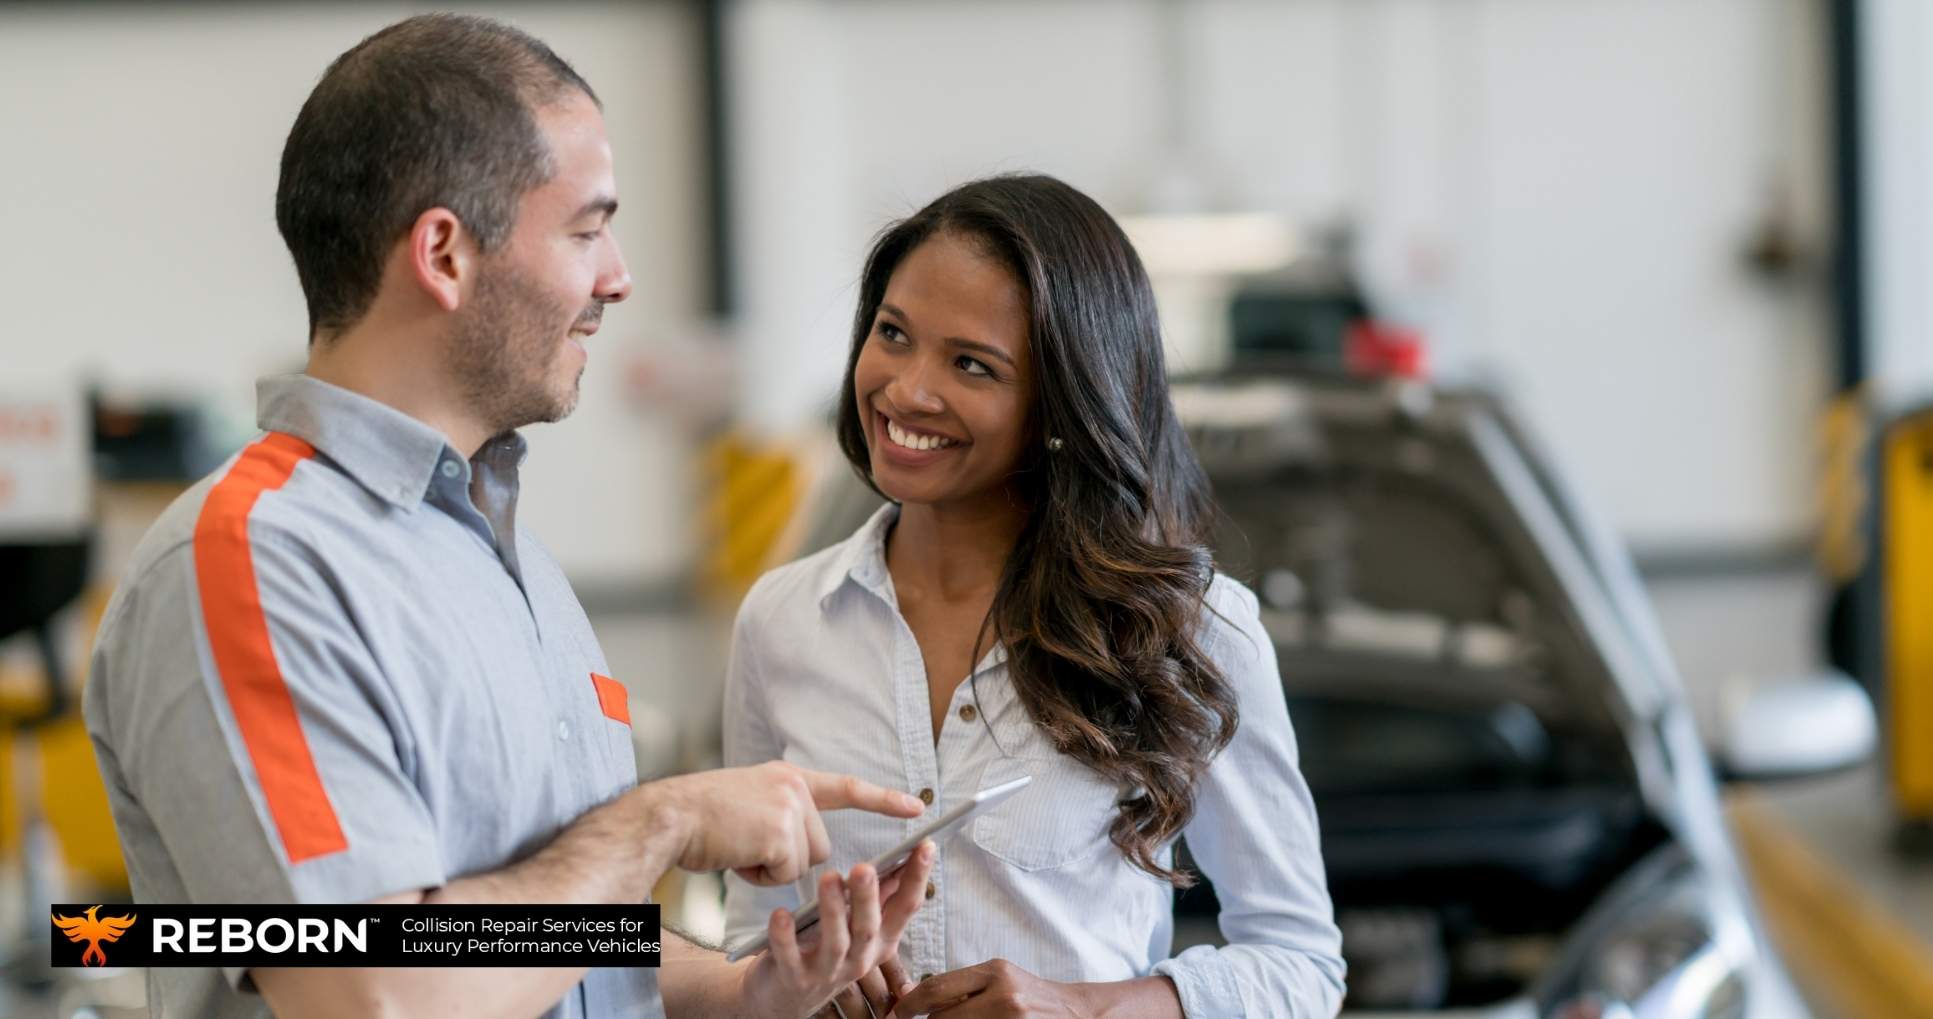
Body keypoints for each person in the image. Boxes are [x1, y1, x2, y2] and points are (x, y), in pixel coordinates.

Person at [82, 14, 932, 1019]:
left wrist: (752, 988)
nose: (617, 276)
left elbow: (555, 924)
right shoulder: (252, 560)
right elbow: (379, 981)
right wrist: (658, 824)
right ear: (443, 253)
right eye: (585, 229)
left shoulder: (504, 562)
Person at [721, 174, 1347, 1018]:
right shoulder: (781, 620)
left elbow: (1301, 964)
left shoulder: (1189, 630)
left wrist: (1086, 1007)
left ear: (1060, 401)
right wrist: (791, 981)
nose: (907, 390)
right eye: (893, 334)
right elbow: (748, 946)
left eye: (972, 364)